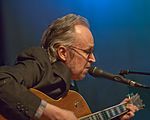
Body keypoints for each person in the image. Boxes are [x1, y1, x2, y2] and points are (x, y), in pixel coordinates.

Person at [0, 14, 138, 120]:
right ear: (63, 52)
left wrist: (116, 116)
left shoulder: (70, 90)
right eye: (87, 52)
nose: (93, 59)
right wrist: (54, 113)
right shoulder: (40, 62)